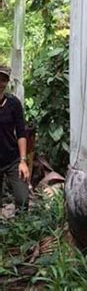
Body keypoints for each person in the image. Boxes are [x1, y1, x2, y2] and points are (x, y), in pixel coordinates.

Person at [0, 65, 29, 212]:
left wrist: (23, 161)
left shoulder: (13, 103)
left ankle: (22, 231)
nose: (0, 83)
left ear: (7, 82)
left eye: (3, 80)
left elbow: (21, 133)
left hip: (12, 159)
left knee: (22, 200)